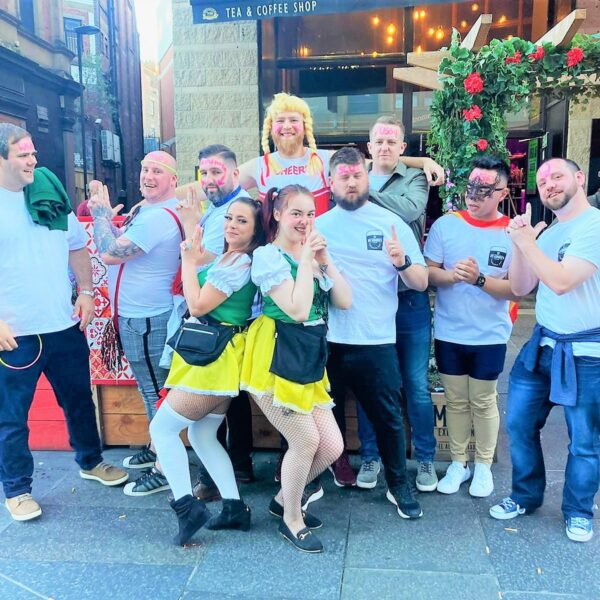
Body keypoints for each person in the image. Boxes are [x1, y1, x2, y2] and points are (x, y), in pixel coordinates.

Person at [0, 123, 128, 522]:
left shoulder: (47, 190)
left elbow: (76, 245)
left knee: (77, 401)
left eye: (33, 153)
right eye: (24, 155)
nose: (34, 161)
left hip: (61, 324)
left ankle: (91, 461)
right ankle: (17, 489)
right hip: (15, 333)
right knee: (11, 416)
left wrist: (87, 292)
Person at [490, 158, 600, 543]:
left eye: (557, 176)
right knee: (519, 424)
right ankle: (525, 495)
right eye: (542, 180)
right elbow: (521, 287)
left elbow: (562, 281)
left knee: (584, 440)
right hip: (543, 344)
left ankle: (579, 510)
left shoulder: (595, 226)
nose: (549, 184)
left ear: (579, 178)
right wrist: (521, 245)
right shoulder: (549, 233)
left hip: (587, 354)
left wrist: (527, 243)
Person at [317, 147, 428, 520]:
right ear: (331, 182)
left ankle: (398, 484)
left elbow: (421, 281)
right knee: (315, 414)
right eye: (343, 176)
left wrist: (402, 262)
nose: (351, 182)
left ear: (367, 177)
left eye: (357, 175)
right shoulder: (318, 226)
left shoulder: (389, 222)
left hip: (376, 340)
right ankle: (311, 478)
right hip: (327, 340)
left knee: (389, 419)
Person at [240, 184, 351, 553]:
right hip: (275, 356)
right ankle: (292, 517)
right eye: (295, 213)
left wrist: (324, 259)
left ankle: (282, 499)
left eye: (310, 214)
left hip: (308, 357)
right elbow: (298, 309)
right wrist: (305, 263)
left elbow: (345, 301)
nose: (304, 221)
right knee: (305, 441)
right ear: (277, 215)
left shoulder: (312, 255)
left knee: (332, 446)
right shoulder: (267, 257)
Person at [149, 196, 265, 546]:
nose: (231, 224)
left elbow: (197, 303)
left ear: (257, 229)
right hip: (217, 358)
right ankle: (233, 507)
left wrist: (187, 261)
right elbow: (204, 259)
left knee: (162, 430)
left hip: (211, 361)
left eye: (242, 221)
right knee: (201, 436)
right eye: (229, 217)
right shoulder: (233, 258)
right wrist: (192, 228)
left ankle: (187, 507)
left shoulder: (241, 262)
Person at [348, 114, 437, 492]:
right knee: (372, 384)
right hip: (369, 300)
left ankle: (427, 460)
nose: (384, 147)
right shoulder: (355, 175)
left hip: (410, 298)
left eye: (392, 142)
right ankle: (370, 457)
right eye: (378, 142)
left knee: (415, 385)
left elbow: (410, 211)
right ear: (369, 147)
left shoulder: (415, 178)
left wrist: (361, 189)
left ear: (403, 148)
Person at [89, 151, 183, 497]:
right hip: (139, 316)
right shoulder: (149, 212)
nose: (147, 176)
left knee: (157, 394)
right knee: (152, 391)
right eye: (144, 169)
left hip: (148, 318)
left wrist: (100, 214)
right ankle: (158, 449)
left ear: (173, 178)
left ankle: (164, 467)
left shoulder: (156, 217)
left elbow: (110, 251)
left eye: (157, 171)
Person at [425, 156, 520, 498]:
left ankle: (482, 466)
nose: (475, 195)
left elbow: (517, 288)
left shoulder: (512, 233)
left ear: (501, 192)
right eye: (471, 187)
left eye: (485, 189)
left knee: (483, 400)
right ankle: (458, 463)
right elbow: (428, 273)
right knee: (455, 400)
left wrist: (479, 280)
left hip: (490, 334)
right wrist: (451, 276)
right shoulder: (445, 226)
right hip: (450, 331)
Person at [187, 145, 257, 503]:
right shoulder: (215, 209)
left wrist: (189, 259)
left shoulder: (235, 207)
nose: (210, 179)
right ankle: (238, 466)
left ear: (234, 174)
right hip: (228, 323)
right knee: (233, 398)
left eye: (216, 172)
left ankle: (209, 480)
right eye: (204, 173)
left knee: (212, 403)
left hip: (221, 322)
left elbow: (209, 267)